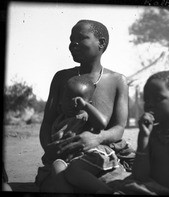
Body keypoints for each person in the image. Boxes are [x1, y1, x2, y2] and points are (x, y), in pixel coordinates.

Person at [35, 19, 129, 193]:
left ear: (101, 43)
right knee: (58, 181)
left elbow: (119, 127)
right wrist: (50, 149)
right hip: (62, 155)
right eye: (71, 39)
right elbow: (47, 122)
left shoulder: (118, 81)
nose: (73, 44)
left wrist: (97, 138)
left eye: (80, 38)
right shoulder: (62, 78)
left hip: (97, 156)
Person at [50, 74, 119, 194]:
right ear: (61, 100)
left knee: (73, 171)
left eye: (79, 100)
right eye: (68, 98)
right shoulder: (59, 120)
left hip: (91, 154)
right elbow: (55, 139)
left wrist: (86, 107)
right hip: (69, 158)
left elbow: (102, 124)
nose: (74, 104)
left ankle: (106, 191)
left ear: (89, 103)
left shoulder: (84, 116)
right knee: (57, 167)